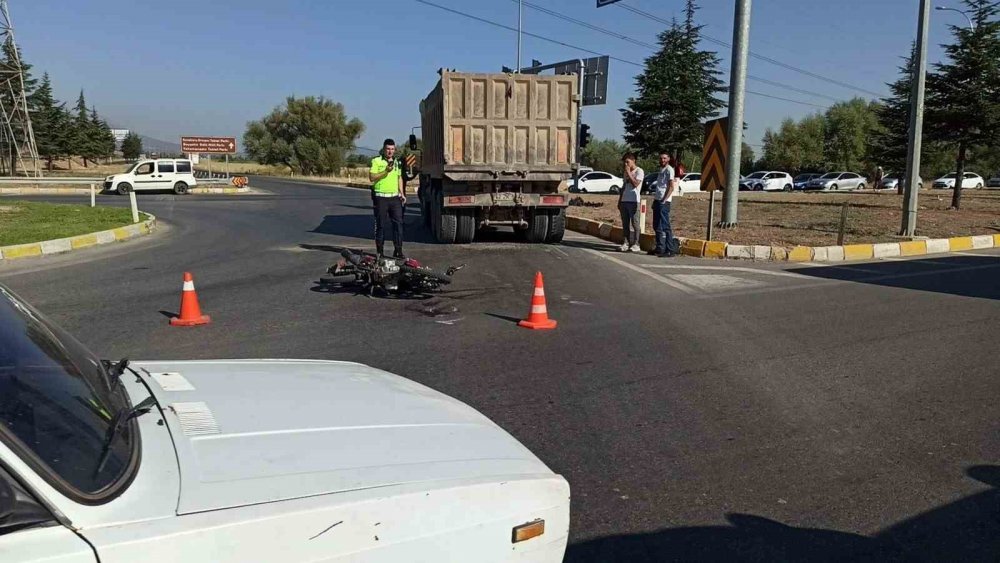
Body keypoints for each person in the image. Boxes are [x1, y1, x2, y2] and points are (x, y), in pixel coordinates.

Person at [368, 138, 407, 258]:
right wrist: (385, 171)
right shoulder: (376, 161)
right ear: (384, 149)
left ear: (394, 150)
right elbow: (372, 177)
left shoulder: (397, 163)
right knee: (381, 225)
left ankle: (398, 250)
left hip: (394, 198)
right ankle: (380, 252)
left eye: (392, 149)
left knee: (398, 225)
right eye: (388, 149)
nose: (390, 151)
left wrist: (402, 193)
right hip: (381, 198)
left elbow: (399, 177)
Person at [649, 152, 679, 257]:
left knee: (665, 225)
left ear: (669, 159)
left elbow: (671, 186)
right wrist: (656, 200)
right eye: (661, 158)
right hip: (658, 199)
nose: (662, 160)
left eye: (665, 158)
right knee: (656, 225)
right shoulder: (661, 170)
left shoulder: (669, 170)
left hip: (664, 201)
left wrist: (664, 199)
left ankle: (670, 249)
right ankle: (660, 248)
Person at [617, 152, 645, 252]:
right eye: (625, 162)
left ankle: (636, 244)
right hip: (625, 200)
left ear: (633, 160)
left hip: (634, 201)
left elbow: (636, 184)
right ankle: (626, 242)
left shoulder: (639, 171)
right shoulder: (625, 172)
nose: (626, 164)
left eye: (627, 162)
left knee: (635, 223)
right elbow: (624, 187)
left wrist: (629, 172)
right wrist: (620, 200)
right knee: (625, 223)